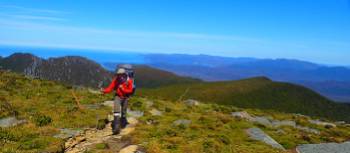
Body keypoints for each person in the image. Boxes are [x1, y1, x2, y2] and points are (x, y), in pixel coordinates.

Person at [101, 68, 134, 134]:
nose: (120, 76)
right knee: (116, 111)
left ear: (124, 74)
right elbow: (110, 88)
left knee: (123, 112)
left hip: (125, 98)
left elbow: (130, 90)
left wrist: (123, 89)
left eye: (121, 75)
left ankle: (123, 122)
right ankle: (116, 128)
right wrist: (104, 91)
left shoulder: (129, 81)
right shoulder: (116, 80)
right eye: (118, 75)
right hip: (117, 97)